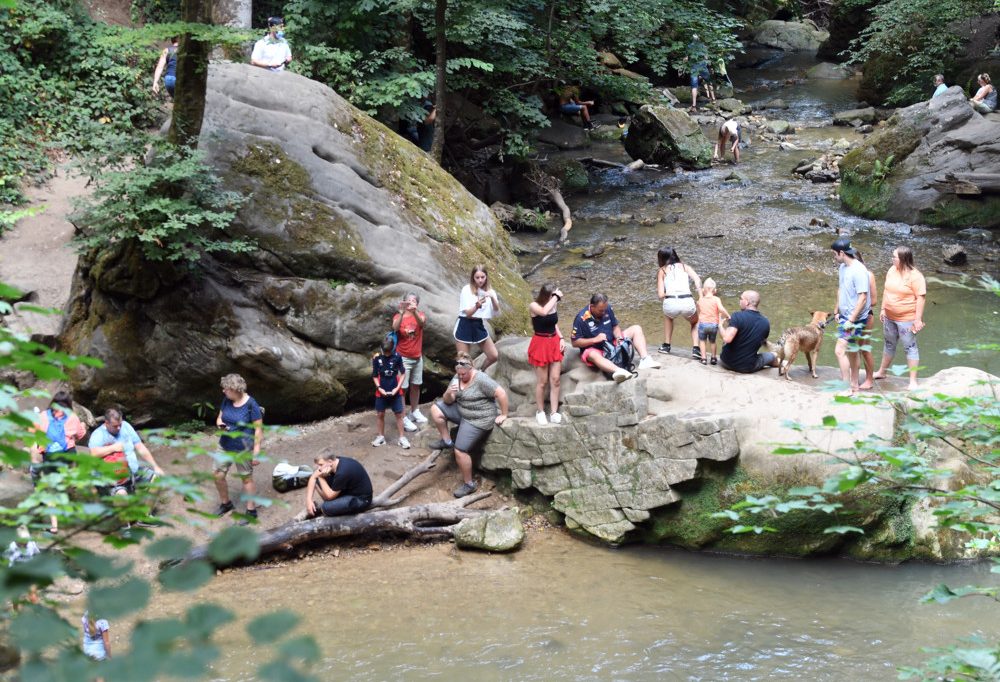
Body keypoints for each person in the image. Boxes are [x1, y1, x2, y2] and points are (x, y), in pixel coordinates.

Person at [429, 352, 509, 498]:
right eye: (458, 374)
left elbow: (501, 393)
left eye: (463, 374)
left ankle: (469, 484)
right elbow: (448, 401)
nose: (460, 377)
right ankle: (446, 441)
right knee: (436, 409)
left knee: (460, 450)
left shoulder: (481, 379)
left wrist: (503, 414)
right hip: (462, 412)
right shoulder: (457, 377)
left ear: (471, 369)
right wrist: (448, 392)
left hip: (479, 418)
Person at [28, 390, 87, 534]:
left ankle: (54, 525)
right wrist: (82, 427)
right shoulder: (72, 417)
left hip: (50, 457)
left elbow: (31, 432)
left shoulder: (42, 416)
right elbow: (80, 435)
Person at [571, 293, 661, 383]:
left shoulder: (607, 308)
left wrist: (618, 337)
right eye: (600, 311)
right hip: (596, 349)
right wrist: (594, 339)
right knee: (592, 355)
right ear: (592, 306)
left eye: (604, 310)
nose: (603, 313)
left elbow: (615, 326)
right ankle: (618, 371)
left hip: (612, 342)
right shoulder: (581, 318)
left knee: (636, 329)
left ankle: (645, 359)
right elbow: (574, 343)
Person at [872, 246, 927, 390]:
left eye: (894, 257)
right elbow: (886, 290)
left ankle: (913, 381)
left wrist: (918, 320)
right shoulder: (892, 270)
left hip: (906, 319)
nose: (892, 259)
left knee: (910, 347)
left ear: (902, 259)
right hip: (889, 316)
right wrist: (883, 308)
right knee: (889, 344)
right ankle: (882, 372)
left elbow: (921, 298)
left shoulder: (915, 276)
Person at [213, 373, 263, 520]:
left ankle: (251, 511)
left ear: (235, 389)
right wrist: (220, 424)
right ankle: (226, 503)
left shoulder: (251, 405)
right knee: (217, 474)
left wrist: (257, 452)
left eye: (226, 389)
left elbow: (259, 429)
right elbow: (220, 417)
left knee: (246, 479)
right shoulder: (227, 400)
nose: (223, 391)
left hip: (243, 447)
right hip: (225, 444)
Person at [88, 408, 165, 493]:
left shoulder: (125, 426)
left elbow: (140, 447)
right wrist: (113, 448)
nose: (119, 428)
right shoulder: (98, 435)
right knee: (122, 498)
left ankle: (147, 505)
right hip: (114, 477)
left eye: (120, 424)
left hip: (133, 470)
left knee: (157, 480)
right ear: (106, 423)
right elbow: (93, 453)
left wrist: (156, 466)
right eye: (115, 426)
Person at [831, 238, 871, 394]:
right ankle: (854, 386)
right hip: (845, 316)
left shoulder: (859, 270)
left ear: (842, 253)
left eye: (834, 254)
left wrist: (851, 320)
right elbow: (841, 289)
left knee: (839, 350)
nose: (834, 257)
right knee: (853, 351)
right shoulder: (843, 267)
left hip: (854, 319)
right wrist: (837, 310)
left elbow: (863, 297)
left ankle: (845, 386)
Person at [528, 283, 567, 425]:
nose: (554, 299)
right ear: (546, 296)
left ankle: (554, 412)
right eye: (552, 296)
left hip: (554, 342)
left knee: (555, 379)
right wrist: (556, 297)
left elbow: (553, 322)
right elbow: (544, 312)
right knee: (542, 382)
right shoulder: (534, 306)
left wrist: (561, 337)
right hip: (541, 344)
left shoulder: (552, 304)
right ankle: (540, 411)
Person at [656, 247, 702, 359]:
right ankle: (696, 349)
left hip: (671, 302)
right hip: (687, 301)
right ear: (676, 255)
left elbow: (661, 295)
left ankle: (666, 346)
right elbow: (697, 280)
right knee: (695, 322)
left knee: (668, 317)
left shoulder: (662, 270)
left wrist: (669, 298)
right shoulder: (685, 267)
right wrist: (700, 296)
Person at [392, 291, 428, 433]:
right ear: (404, 302)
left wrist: (414, 312)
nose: (411, 302)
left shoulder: (420, 315)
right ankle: (403, 416)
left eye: (414, 301)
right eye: (408, 300)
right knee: (403, 388)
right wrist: (401, 313)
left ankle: (415, 411)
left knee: (416, 385)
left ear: (417, 304)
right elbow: (394, 328)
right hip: (403, 358)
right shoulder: (398, 315)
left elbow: (422, 323)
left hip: (417, 357)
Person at [454, 266, 501, 370]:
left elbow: (497, 311)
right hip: (465, 324)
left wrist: (492, 297)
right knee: (463, 363)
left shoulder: (490, 291)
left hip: (478, 325)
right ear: (473, 278)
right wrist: (477, 306)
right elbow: (468, 313)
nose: (480, 280)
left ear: (486, 277)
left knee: (494, 356)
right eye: (477, 277)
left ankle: (480, 372)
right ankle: (463, 383)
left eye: (482, 277)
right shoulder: (466, 289)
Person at [719, 290, 779, 373]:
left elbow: (727, 339)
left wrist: (720, 326)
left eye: (741, 298)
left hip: (726, 362)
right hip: (747, 367)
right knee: (774, 355)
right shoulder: (765, 322)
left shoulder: (737, 316)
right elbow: (760, 341)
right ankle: (779, 365)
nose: (739, 301)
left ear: (746, 302)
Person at [302, 454, 373, 518]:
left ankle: (329, 507)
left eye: (321, 465)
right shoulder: (335, 460)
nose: (319, 468)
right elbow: (313, 477)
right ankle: (333, 503)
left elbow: (329, 497)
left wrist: (321, 477)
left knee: (325, 507)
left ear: (330, 461)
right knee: (317, 480)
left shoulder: (342, 472)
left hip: (361, 500)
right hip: (348, 490)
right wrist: (309, 500)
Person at [371, 336, 410, 449]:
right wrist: (379, 388)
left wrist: (397, 388)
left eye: (389, 352)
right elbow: (374, 376)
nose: (387, 355)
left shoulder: (397, 357)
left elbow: (403, 373)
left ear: (393, 349)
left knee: (399, 414)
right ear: (382, 349)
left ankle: (402, 438)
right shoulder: (377, 358)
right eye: (385, 352)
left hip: (395, 390)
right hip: (381, 390)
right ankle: (380, 437)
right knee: (380, 414)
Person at [852, 249, 880, 390]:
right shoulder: (846, 272)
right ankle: (854, 379)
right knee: (851, 348)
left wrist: (858, 306)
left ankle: (869, 379)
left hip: (865, 316)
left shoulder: (868, 275)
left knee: (864, 348)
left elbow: (874, 301)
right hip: (849, 318)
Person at [696, 278, 731, 366]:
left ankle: (703, 358)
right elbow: (721, 309)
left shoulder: (700, 300)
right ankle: (713, 358)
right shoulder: (716, 299)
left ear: (703, 290)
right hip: (713, 325)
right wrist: (728, 315)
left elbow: (699, 311)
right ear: (715, 291)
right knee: (713, 341)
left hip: (703, 324)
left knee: (702, 341)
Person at [686, 34, 714, 111]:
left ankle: (694, 106)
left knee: (694, 87)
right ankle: (713, 99)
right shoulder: (703, 47)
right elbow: (706, 58)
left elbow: (686, 59)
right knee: (709, 82)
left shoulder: (689, 47)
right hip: (703, 68)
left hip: (694, 69)